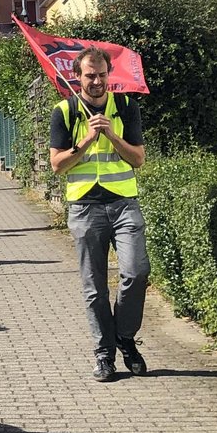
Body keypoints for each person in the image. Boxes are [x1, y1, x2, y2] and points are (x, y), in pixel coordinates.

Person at [48, 46, 151, 382]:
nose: (96, 81)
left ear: (109, 75)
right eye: (90, 75)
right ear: (77, 76)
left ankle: (124, 336)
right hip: (85, 207)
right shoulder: (65, 111)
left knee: (136, 272)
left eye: (102, 75)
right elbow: (57, 165)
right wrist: (89, 138)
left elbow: (137, 159)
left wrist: (111, 134)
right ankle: (104, 354)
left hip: (124, 203)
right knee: (95, 287)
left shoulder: (126, 107)